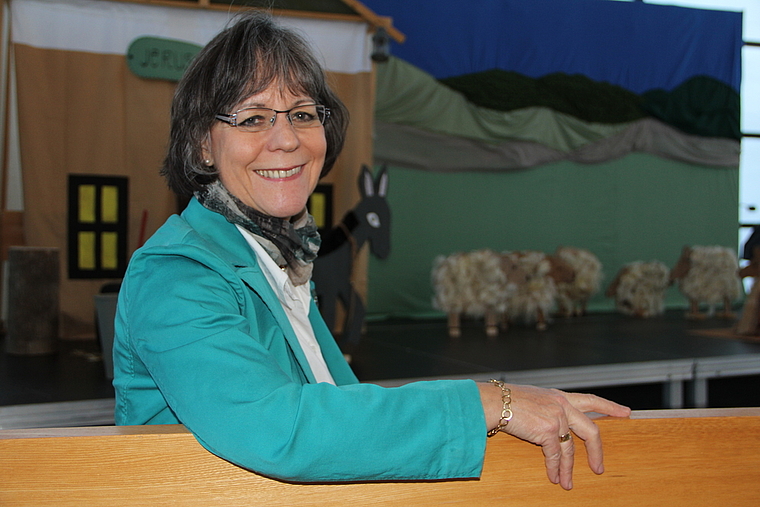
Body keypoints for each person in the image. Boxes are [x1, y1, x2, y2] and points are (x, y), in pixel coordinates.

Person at [112, 11, 630, 490]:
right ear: (204, 144)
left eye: (302, 113)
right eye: (253, 118)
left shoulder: (276, 258)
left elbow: (339, 411)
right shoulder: (177, 274)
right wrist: (494, 402)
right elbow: (282, 429)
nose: (287, 139)